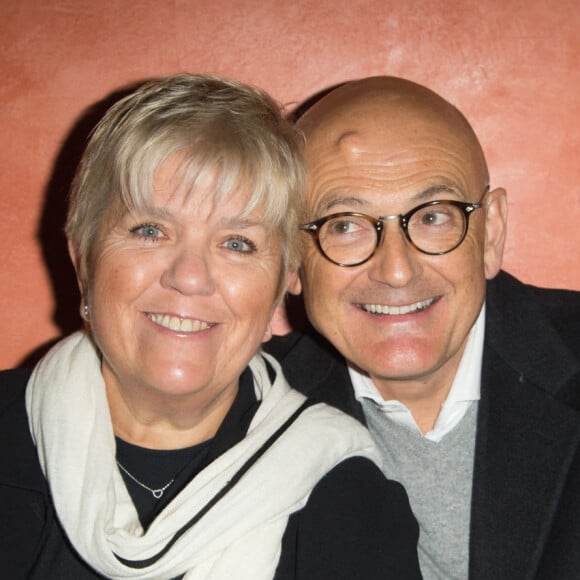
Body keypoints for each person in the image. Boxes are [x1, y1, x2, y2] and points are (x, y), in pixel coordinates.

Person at [0, 74, 422, 579]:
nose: (190, 277)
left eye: (237, 243)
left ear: (282, 284)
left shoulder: (347, 499)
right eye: (150, 231)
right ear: (83, 262)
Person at [265, 76, 580, 579]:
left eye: (434, 216)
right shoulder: (248, 413)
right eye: (344, 224)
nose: (396, 269)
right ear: (291, 257)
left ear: (491, 233)